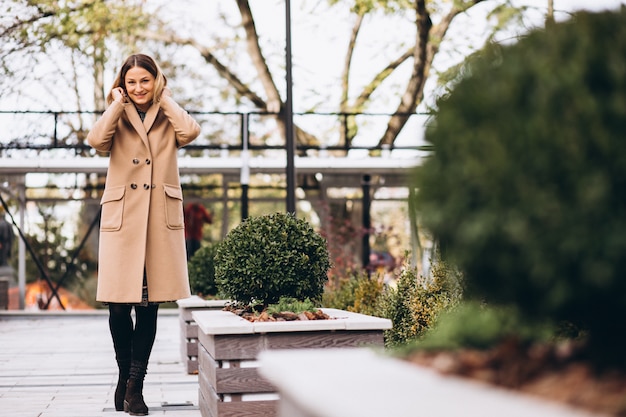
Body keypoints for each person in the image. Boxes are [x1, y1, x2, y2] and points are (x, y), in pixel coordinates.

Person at [87, 53, 200, 415]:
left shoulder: (167, 114)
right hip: (123, 220)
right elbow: (96, 140)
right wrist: (117, 104)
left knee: (148, 307)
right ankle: (124, 375)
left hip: (156, 221)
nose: (139, 88)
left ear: (156, 81)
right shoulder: (116, 113)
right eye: (131, 82)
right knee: (118, 306)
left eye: (145, 81)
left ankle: (135, 386)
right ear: (123, 84)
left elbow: (190, 131)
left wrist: (164, 97)